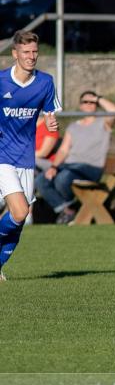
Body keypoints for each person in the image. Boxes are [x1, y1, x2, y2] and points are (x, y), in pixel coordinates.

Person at [0, 30, 60, 280]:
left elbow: (49, 115)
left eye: (35, 51)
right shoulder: (1, 81)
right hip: (2, 158)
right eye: (26, 52)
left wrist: (51, 124)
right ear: (15, 54)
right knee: (21, 211)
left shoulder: (45, 82)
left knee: (18, 220)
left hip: (26, 158)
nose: (31, 56)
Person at [35, 90, 115, 225]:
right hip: (69, 166)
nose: (89, 105)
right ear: (80, 105)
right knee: (41, 180)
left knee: (63, 178)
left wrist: (98, 97)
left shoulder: (103, 123)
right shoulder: (73, 127)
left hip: (91, 167)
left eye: (92, 102)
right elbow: (63, 150)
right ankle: (66, 210)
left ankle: (69, 209)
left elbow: (114, 110)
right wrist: (54, 167)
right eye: (85, 102)